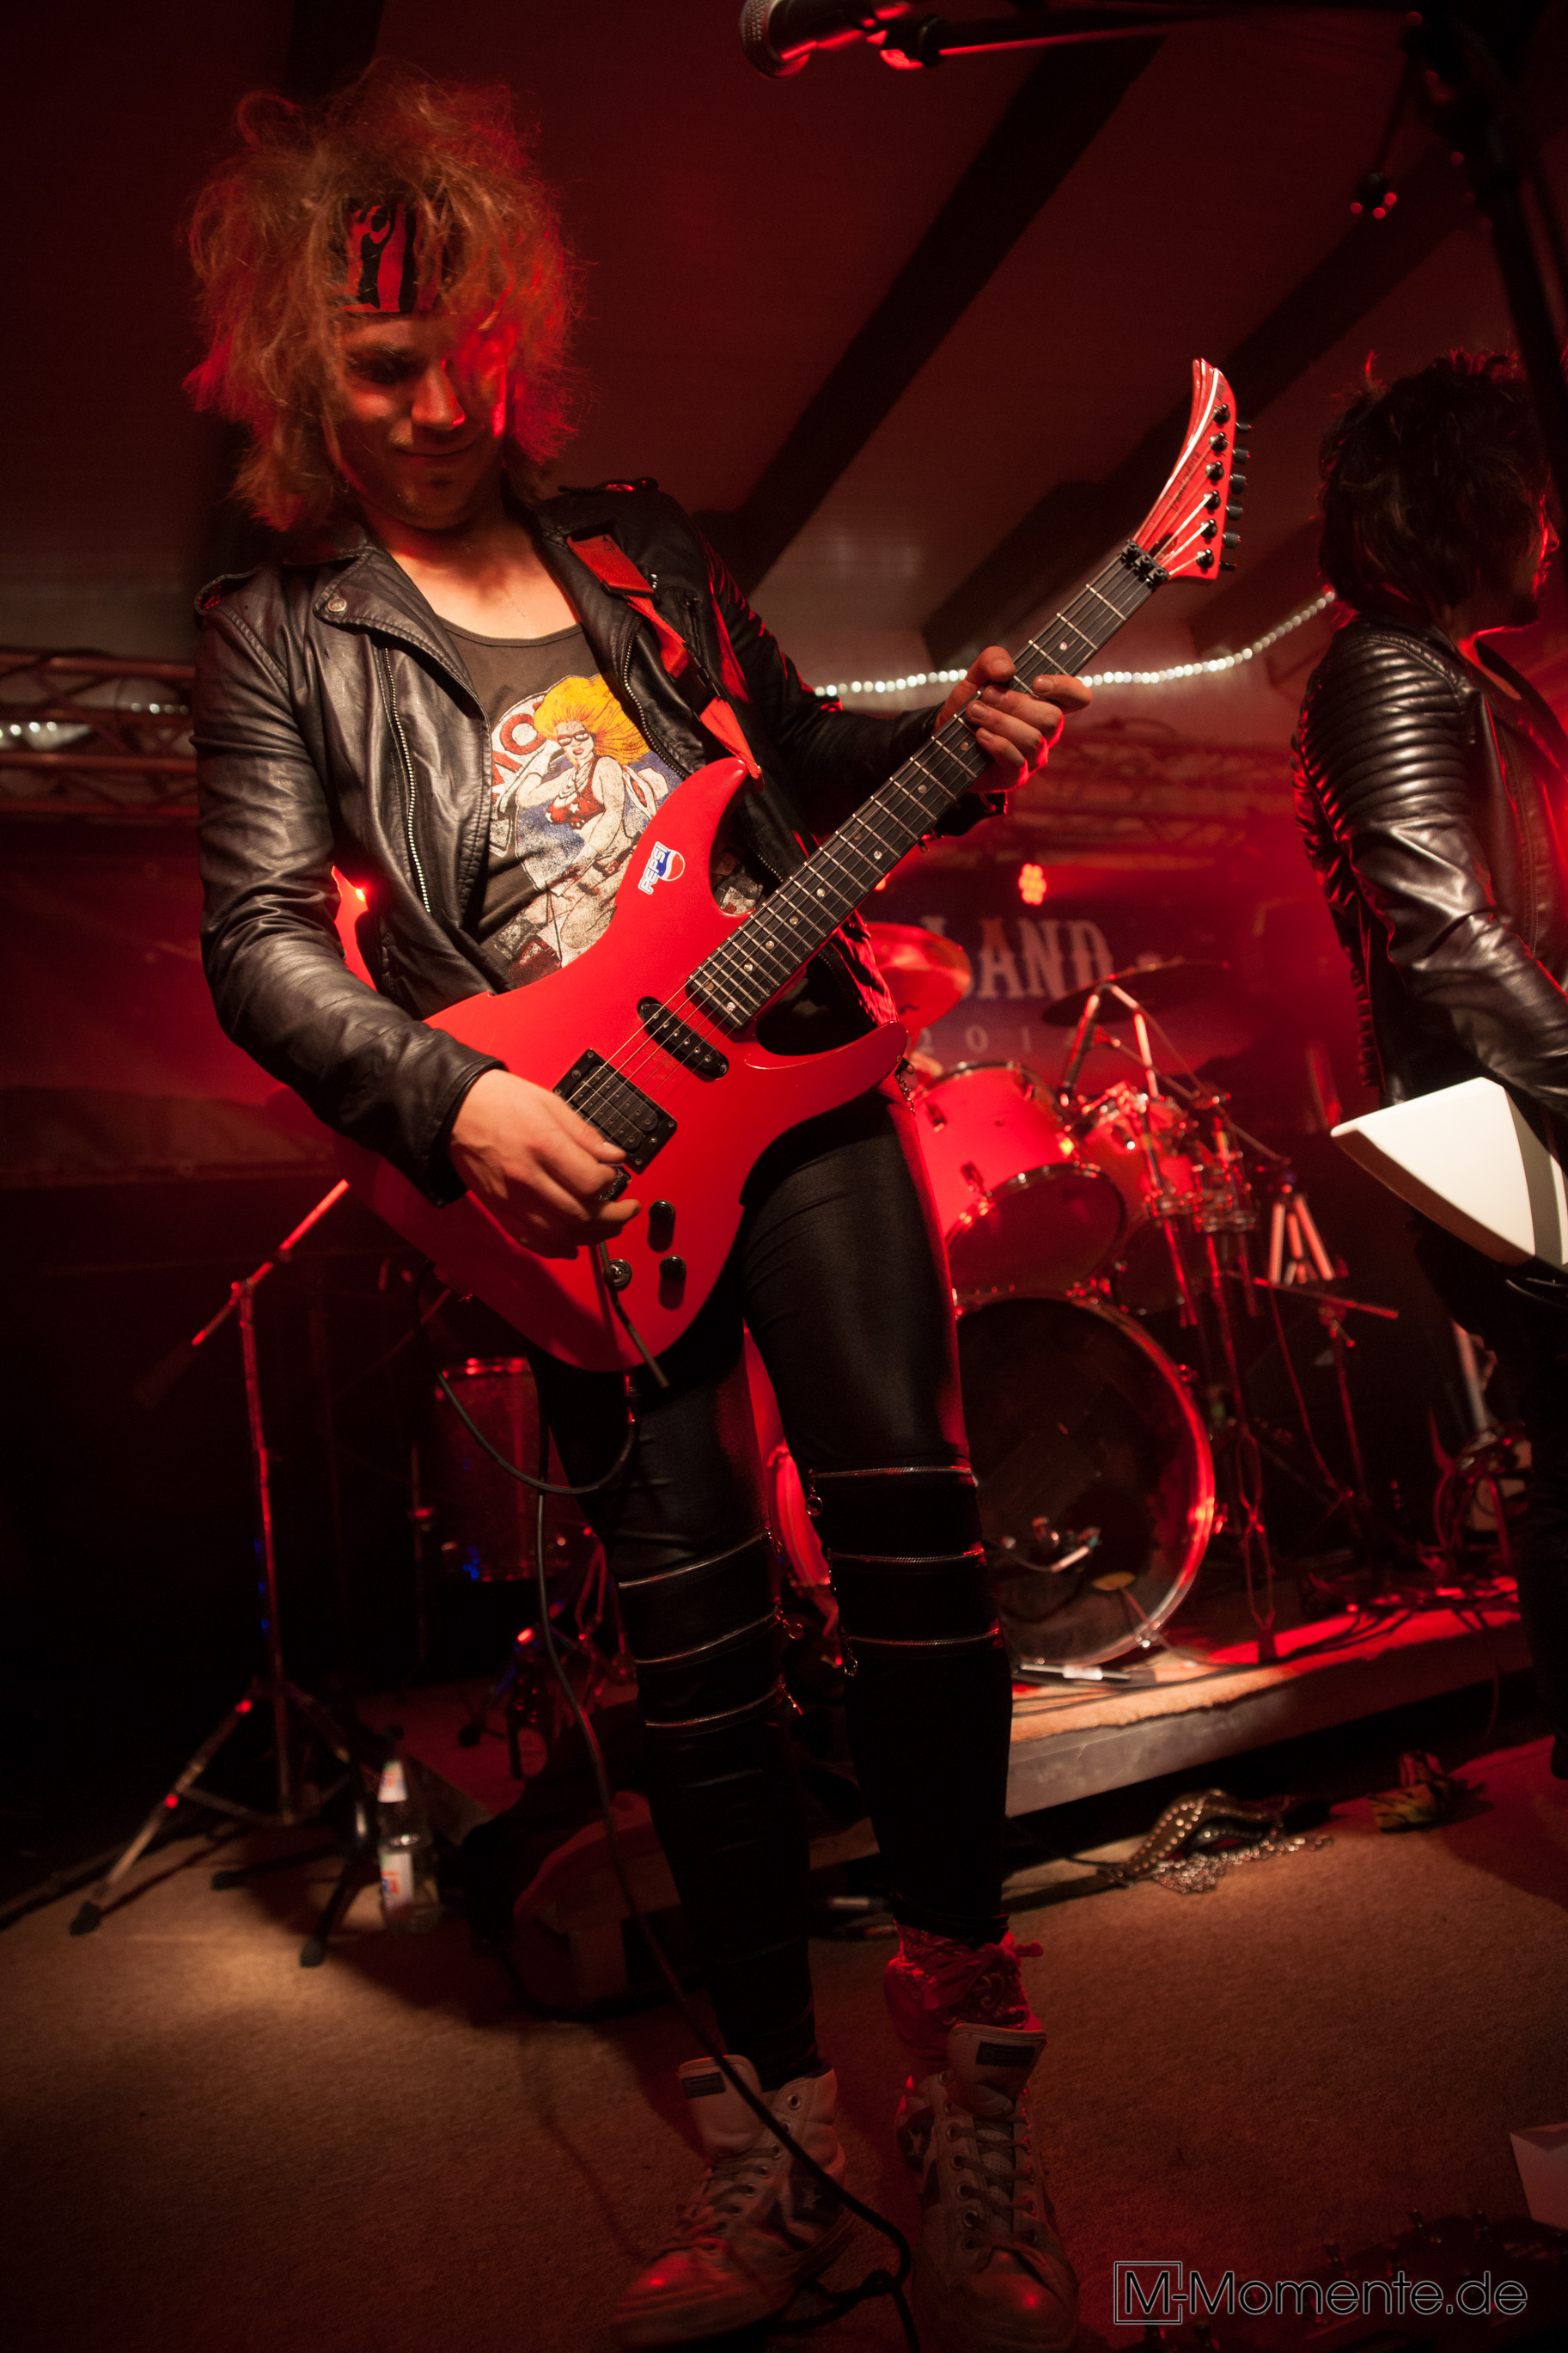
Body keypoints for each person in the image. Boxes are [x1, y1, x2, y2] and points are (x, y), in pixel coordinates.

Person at [188, 66, 1091, 2352]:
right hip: (577, 1158)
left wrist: (956, 751)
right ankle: (773, 2139)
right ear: (300, 375)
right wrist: (449, 1101)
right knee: (688, 1650)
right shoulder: (282, 632)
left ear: (520, 333)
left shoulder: (650, 556)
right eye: (375, 368)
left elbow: (800, 771)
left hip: (802, 1100)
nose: (429, 407)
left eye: (461, 351)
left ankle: (970, 2101)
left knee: (916, 1553)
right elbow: (260, 945)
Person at [1295, 349, 1568, 1774]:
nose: (1550, 523)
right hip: (1499, 1133)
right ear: (1471, 500)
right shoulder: (1382, 671)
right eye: (1531, 492)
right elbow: (1446, 933)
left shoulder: (1461, 672)